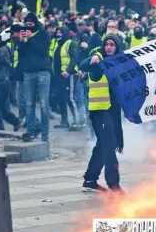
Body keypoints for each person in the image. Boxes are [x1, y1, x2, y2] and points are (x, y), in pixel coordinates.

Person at [79, 34, 124, 193]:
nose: (108, 47)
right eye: (107, 44)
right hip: (99, 111)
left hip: (111, 110)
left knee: (102, 145)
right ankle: (114, 183)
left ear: (117, 47)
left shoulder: (118, 61)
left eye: (112, 45)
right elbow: (84, 64)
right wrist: (93, 60)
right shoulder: (98, 58)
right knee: (108, 146)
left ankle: (90, 179)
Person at [18, 12, 52, 142]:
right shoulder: (25, 34)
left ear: (35, 24)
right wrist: (21, 41)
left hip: (43, 71)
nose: (28, 27)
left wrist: (31, 38)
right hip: (29, 71)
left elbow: (43, 52)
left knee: (44, 104)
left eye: (30, 24)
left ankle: (44, 133)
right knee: (29, 104)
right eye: (26, 25)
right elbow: (22, 54)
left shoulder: (44, 34)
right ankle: (31, 131)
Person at [52, 25, 80, 129]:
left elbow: (75, 58)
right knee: (60, 98)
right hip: (59, 76)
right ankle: (64, 121)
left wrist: (68, 71)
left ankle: (77, 121)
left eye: (60, 33)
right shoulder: (57, 45)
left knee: (70, 98)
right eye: (57, 33)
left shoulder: (71, 43)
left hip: (69, 75)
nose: (58, 34)